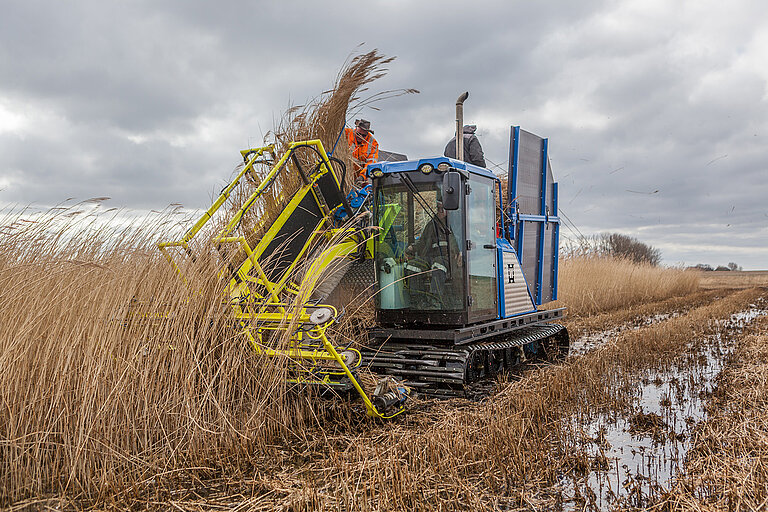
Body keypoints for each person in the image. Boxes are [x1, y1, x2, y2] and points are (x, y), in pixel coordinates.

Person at [404, 201, 462, 307]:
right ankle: (416, 299)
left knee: (438, 265)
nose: (439, 211)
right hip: (430, 258)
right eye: (438, 208)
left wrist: (460, 251)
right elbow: (422, 242)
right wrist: (412, 248)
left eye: (441, 209)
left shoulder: (455, 224)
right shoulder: (431, 225)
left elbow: (460, 241)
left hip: (449, 260)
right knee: (413, 265)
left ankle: (435, 299)